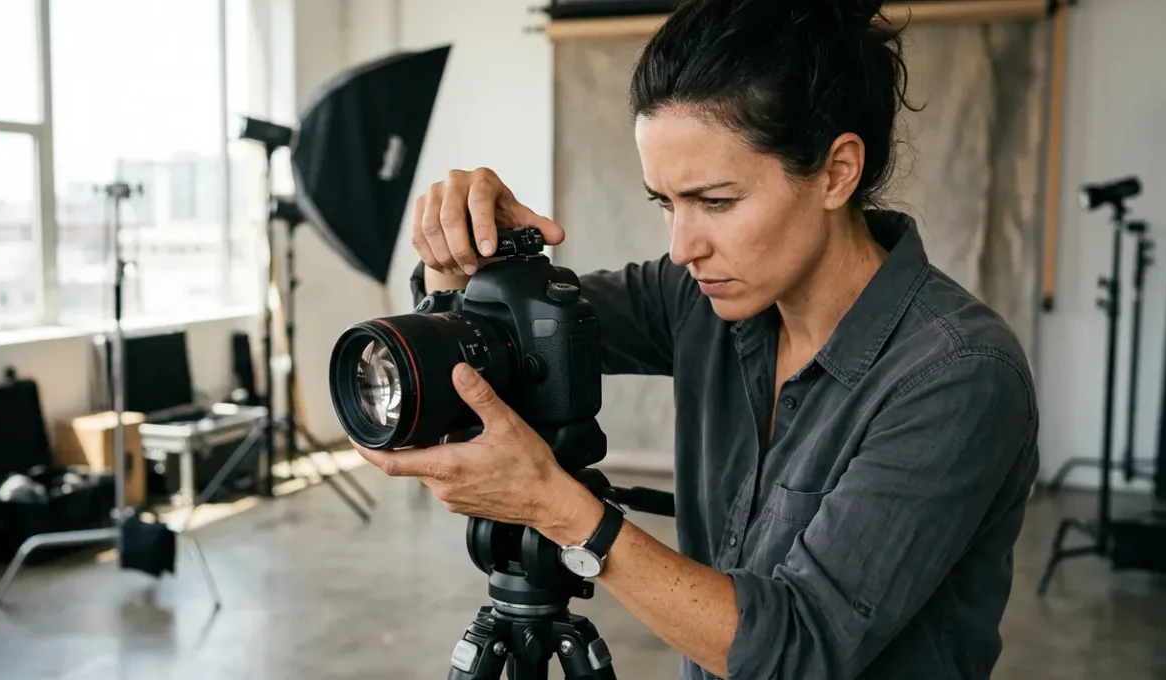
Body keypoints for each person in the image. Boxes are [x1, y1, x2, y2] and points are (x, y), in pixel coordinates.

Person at [352, 0, 1040, 677]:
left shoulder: (957, 374)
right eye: (665, 203)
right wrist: (459, 267)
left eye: (716, 202)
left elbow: (800, 649)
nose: (682, 247)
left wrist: (558, 509)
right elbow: (514, 333)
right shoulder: (698, 299)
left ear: (836, 172)